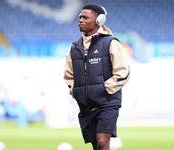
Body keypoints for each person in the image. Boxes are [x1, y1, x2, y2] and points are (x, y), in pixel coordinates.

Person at [64, 3, 130, 150]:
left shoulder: (111, 43)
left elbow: (123, 73)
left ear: (99, 20)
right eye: (80, 17)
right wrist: (77, 92)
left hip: (107, 102)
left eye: (85, 17)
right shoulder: (74, 48)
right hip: (85, 105)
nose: (80, 20)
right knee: (95, 145)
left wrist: (102, 89)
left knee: (102, 142)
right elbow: (69, 76)